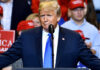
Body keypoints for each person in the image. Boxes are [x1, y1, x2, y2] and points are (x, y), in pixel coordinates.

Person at [0, 0, 100, 70]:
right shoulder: (27, 37)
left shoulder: (73, 38)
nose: (45, 19)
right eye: (42, 16)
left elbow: (92, 61)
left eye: (49, 15)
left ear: (58, 17)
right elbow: (7, 57)